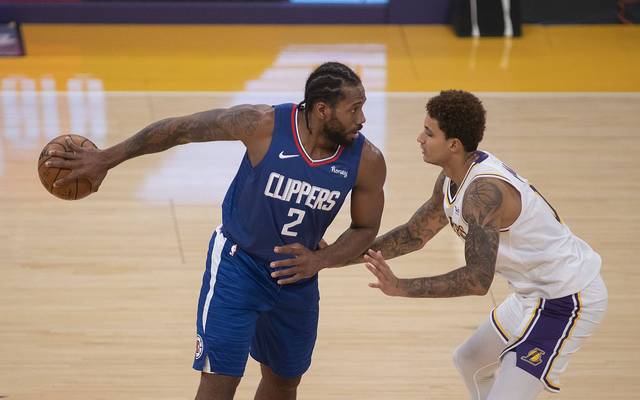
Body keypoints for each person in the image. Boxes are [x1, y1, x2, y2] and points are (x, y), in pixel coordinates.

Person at [45, 62, 386, 400]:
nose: (362, 119)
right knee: (219, 382)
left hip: (297, 279)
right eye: (354, 109)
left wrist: (319, 260)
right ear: (323, 110)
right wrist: (107, 158)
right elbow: (180, 129)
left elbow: (366, 227)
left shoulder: (366, 160)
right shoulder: (262, 124)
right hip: (239, 268)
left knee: (284, 382)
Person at [361, 90, 607, 399]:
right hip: (531, 293)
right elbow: (415, 234)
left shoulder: (484, 192)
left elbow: (477, 280)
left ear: (453, 145)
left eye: (429, 133)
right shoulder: (452, 178)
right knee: (470, 361)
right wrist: (333, 257)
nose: (419, 138)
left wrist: (400, 287)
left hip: (565, 298)